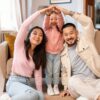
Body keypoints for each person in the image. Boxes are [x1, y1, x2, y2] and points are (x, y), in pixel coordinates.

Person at [6, 8, 49, 100]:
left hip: (27, 83)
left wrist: (40, 92)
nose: (37, 36)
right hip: (14, 82)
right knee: (32, 95)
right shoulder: (19, 45)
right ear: (29, 35)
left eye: (40, 35)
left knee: (40, 96)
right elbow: (24, 26)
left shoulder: (39, 55)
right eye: (35, 33)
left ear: (42, 40)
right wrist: (40, 12)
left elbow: (38, 76)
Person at [58, 7, 100, 100]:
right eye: (66, 35)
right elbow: (64, 72)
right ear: (63, 36)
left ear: (76, 33)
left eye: (71, 33)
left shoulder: (86, 40)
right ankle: (97, 96)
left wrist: (68, 12)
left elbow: (88, 22)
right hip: (78, 83)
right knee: (72, 81)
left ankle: (89, 96)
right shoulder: (63, 53)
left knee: (84, 98)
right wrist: (66, 89)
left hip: (94, 81)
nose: (69, 37)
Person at [43, 6, 64, 95]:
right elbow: (45, 23)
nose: (54, 20)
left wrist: (59, 14)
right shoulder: (46, 29)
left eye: (56, 19)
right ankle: (49, 86)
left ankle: (55, 86)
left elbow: (61, 23)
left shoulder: (60, 30)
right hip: (48, 53)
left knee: (56, 71)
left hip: (58, 53)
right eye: (51, 19)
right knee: (48, 71)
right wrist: (47, 15)